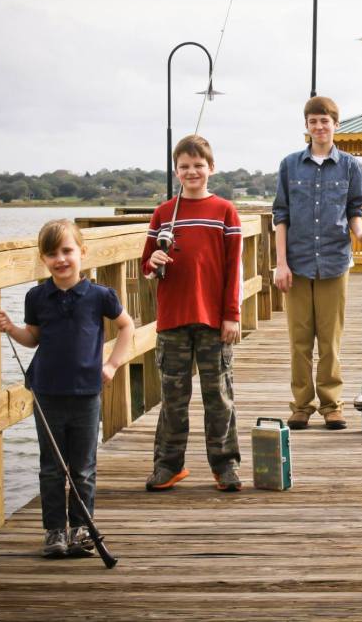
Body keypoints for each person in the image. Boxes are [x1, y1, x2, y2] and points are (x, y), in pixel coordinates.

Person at [0, 219, 134, 558]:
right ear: (43, 259)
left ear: (82, 252)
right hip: (47, 392)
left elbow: (126, 326)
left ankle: (81, 528)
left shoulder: (100, 295)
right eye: (52, 253)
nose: (61, 259)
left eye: (67, 251)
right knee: (52, 466)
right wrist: (11, 328)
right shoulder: (37, 296)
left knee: (83, 466)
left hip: (87, 392)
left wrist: (112, 364)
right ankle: (54, 531)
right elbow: (34, 338)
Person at [141, 134, 244, 492]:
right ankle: (168, 465)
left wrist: (231, 314)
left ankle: (225, 464)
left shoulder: (225, 211)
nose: (192, 172)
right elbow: (146, 265)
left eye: (199, 165)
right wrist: (153, 261)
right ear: (176, 171)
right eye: (184, 167)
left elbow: (234, 268)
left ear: (211, 168)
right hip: (173, 319)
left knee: (219, 395)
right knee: (173, 398)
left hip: (214, 320)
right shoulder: (163, 213)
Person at [273, 95, 362, 431]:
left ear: (336, 125)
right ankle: (302, 405)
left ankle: (333, 405)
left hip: (335, 261)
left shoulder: (350, 166)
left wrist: (361, 235)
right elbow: (281, 215)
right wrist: (281, 263)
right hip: (298, 263)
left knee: (330, 339)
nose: (319, 127)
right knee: (299, 340)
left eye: (325, 121)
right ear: (306, 126)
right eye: (313, 121)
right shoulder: (289, 165)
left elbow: (355, 211)